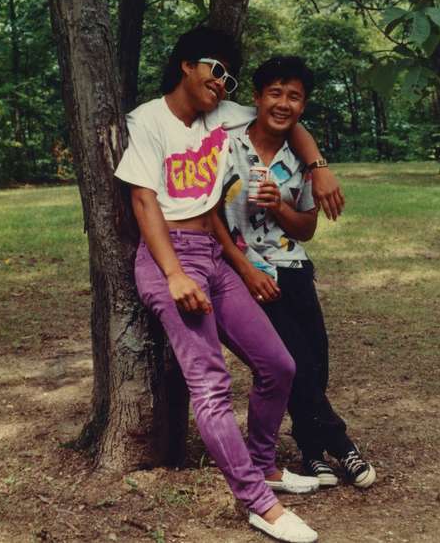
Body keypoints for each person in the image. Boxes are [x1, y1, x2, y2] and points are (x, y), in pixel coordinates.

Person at [115, 27, 344, 543]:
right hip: (171, 257)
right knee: (211, 384)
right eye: (215, 70)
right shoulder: (148, 120)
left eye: (229, 77)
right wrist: (173, 273)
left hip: (217, 256)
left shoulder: (220, 114)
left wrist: (318, 167)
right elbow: (143, 201)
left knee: (278, 365)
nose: (222, 84)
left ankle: (263, 465)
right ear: (186, 66)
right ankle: (258, 503)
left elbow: (284, 118)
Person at [213, 55, 376, 490]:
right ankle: (342, 445)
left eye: (294, 97)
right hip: (250, 273)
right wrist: (245, 270)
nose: (283, 103)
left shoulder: (299, 157)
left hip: (294, 267)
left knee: (314, 360)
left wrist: (279, 205)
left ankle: (309, 451)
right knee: (293, 362)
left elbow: (307, 226)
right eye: (275, 93)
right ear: (256, 97)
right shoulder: (225, 143)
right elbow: (207, 213)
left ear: (303, 105)